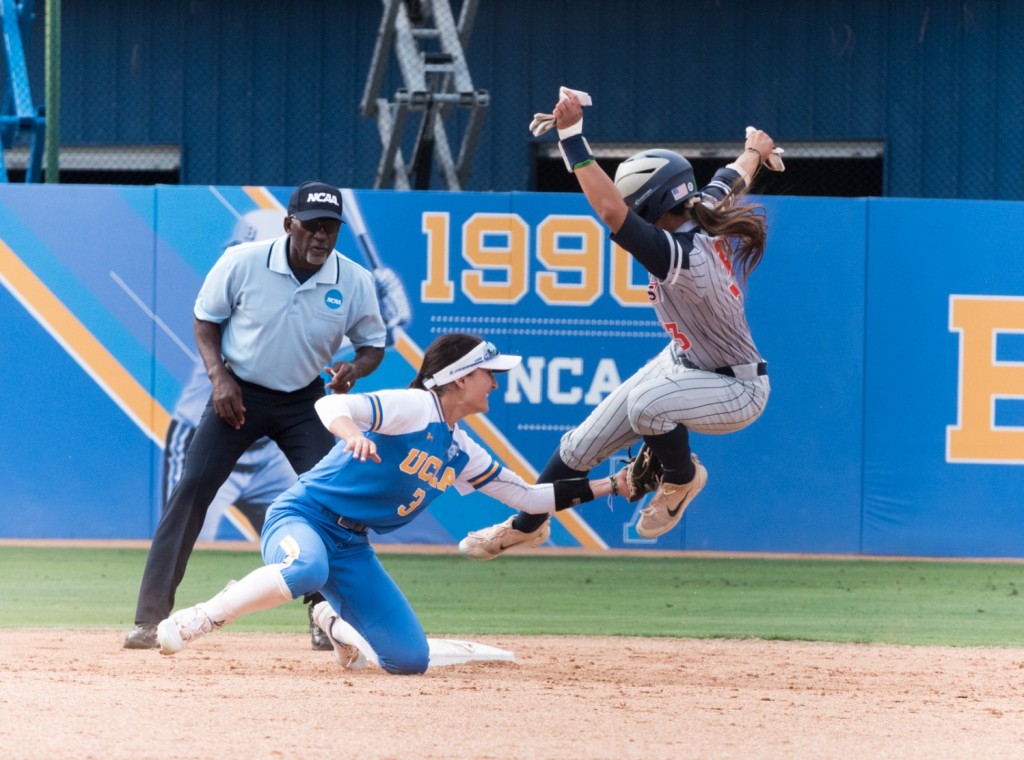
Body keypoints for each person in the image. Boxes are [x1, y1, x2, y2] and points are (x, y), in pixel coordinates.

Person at [154, 334, 621, 673]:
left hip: (352, 545)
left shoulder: (460, 448)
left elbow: (528, 497)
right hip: (303, 517)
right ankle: (204, 616)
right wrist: (354, 434)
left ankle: (332, 622)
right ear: (458, 379)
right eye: (488, 373)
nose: (495, 383)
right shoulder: (414, 407)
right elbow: (328, 408)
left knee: (408, 660)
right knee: (307, 570)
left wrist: (615, 486)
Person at [460, 89, 775, 559]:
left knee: (648, 404)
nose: (627, 209)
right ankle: (527, 525)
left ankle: (682, 479)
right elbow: (732, 176)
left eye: (634, 203)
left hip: (738, 389)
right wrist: (756, 149)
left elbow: (610, 211)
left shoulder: (683, 255)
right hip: (689, 364)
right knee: (579, 446)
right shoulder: (701, 213)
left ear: (648, 205)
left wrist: (571, 137)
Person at [124, 180, 387, 649]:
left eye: (330, 229)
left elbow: (373, 345)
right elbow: (205, 319)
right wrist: (218, 378)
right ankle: (149, 618)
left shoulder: (353, 280)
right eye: (311, 227)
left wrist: (355, 368)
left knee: (330, 504)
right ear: (289, 225)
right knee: (192, 491)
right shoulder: (242, 263)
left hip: (305, 401)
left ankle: (324, 615)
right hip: (238, 393)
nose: (321, 238)